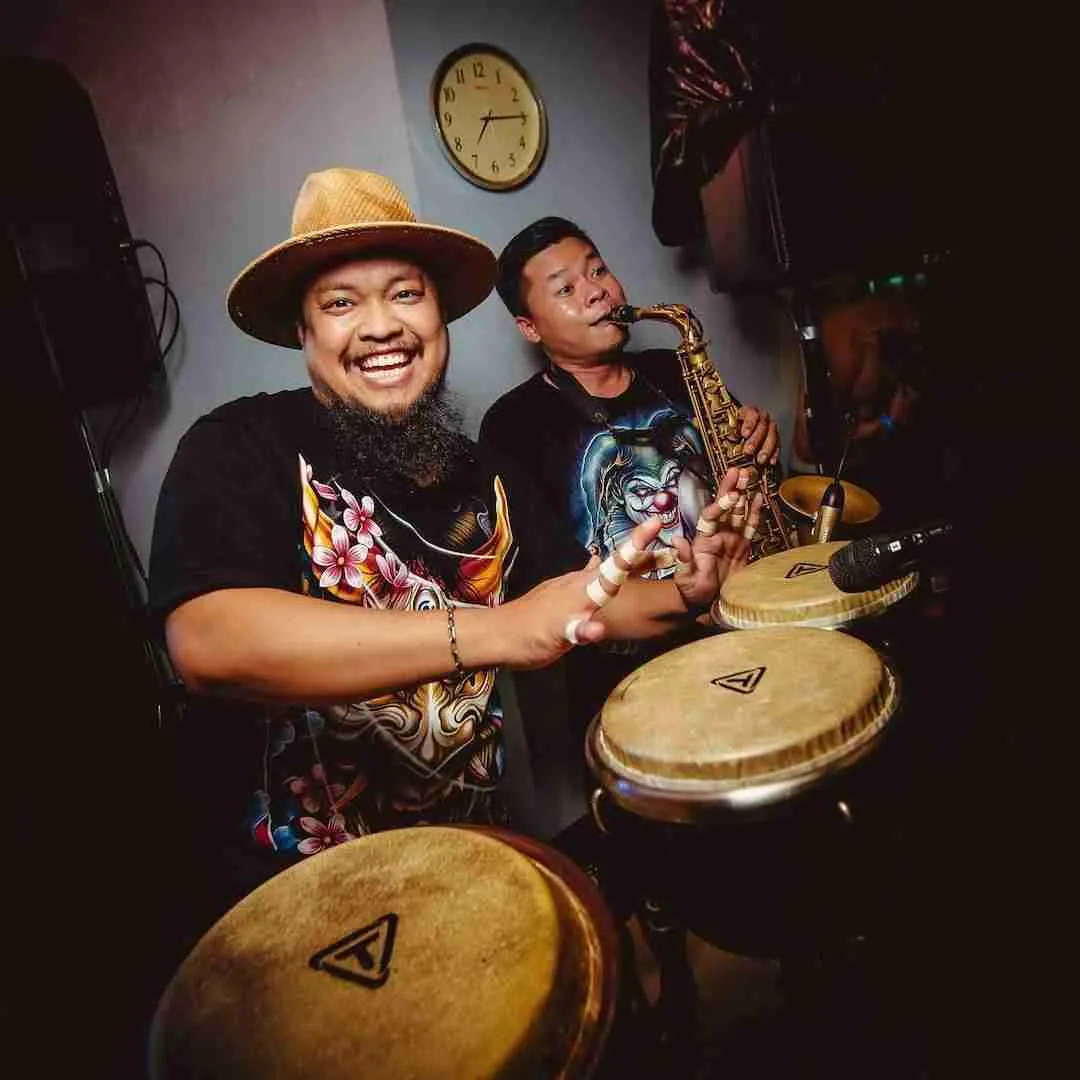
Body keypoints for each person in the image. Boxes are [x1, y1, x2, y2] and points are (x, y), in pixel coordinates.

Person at [148, 169, 759, 923]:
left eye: (406, 294)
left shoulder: (486, 476)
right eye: (340, 304)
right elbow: (209, 643)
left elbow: (582, 600)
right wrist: (496, 629)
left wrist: (684, 594)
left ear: (440, 314)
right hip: (302, 905)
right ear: (304, 334)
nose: (380, 327)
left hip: (464, 864)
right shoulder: (240, 444)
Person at [478, 216, 775, 733]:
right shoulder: (512, 426)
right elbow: (550, 587)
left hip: (750, 620)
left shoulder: (671, 366)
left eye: (599, 270)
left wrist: (755, 440)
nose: (596, 292)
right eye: (566, 288)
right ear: (530, 326)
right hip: (634, 683)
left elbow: (742, 480)